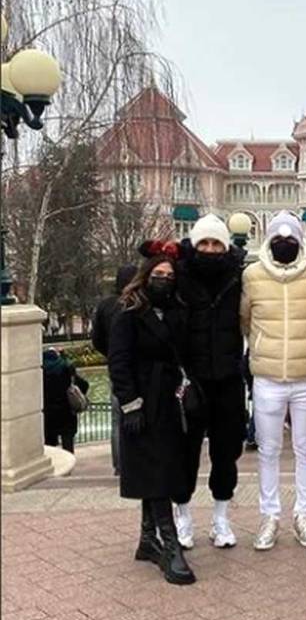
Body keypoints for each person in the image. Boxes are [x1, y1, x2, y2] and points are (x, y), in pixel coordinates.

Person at [107, 241, 195, 586]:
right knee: (156, 471)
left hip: (169, 401)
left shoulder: (176, 310)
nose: (164, 279)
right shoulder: (128, 310)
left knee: (160, 467)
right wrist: (130, 404)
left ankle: (147, 538)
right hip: (142, 402)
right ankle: (170, 544)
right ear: (146, 276)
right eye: (158, 274)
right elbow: (118, 361)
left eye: (169, 275)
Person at [240, 211, 306, 551]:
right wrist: (262, 349)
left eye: (291, 240)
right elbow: (246, 321)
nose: (285, 244)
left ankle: (304, 516)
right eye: (278, 239)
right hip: (268, 379)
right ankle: (269, 516)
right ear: (268, 241)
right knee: (269, 451)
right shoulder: (252, 275)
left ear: (302, 241)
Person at [172, 214, 247, 550]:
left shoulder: (238, 275)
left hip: (227, 377)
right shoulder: (178, 275)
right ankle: (183, 517)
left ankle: (221, 519)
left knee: (225, 453)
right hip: (191, 380)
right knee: (185, 453)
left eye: (217, 243)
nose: (211, 249)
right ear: (195, 243)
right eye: (205, 243)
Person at [91, 264, 138, 474]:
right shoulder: (137, 304)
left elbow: (97, 339)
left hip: (116, 368)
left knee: (117, 419)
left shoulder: (105, 306)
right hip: (137, 366)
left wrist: (111, 355)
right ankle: (135, 461)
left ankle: (119, 464)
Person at [41, 348, 89, 454]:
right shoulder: (66, 367)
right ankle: (69, 468)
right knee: (68, 445)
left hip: (48, 415)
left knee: (49, 446)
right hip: (66, 412)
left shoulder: (40, 370)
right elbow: (84, 385)